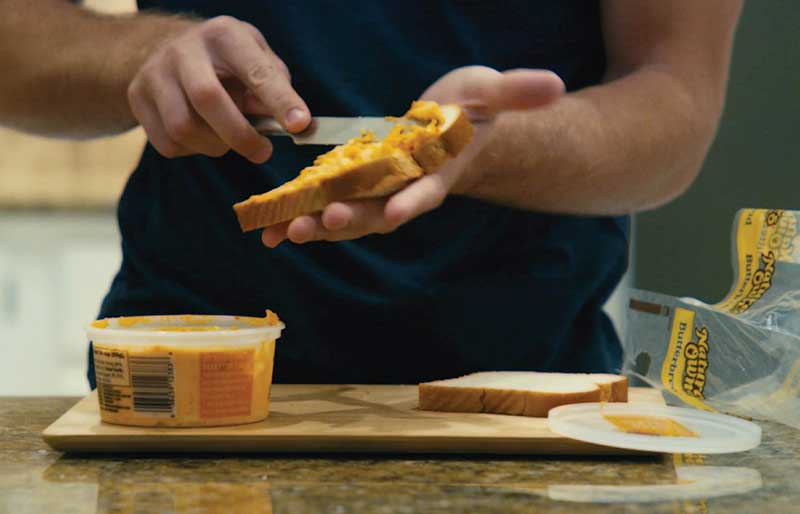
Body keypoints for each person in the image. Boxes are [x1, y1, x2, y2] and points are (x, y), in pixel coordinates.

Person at [0, 1, 742, 386]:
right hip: (189, 390)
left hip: (527, 398)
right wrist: (147, 58)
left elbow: (677, 96)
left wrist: (488, 148)